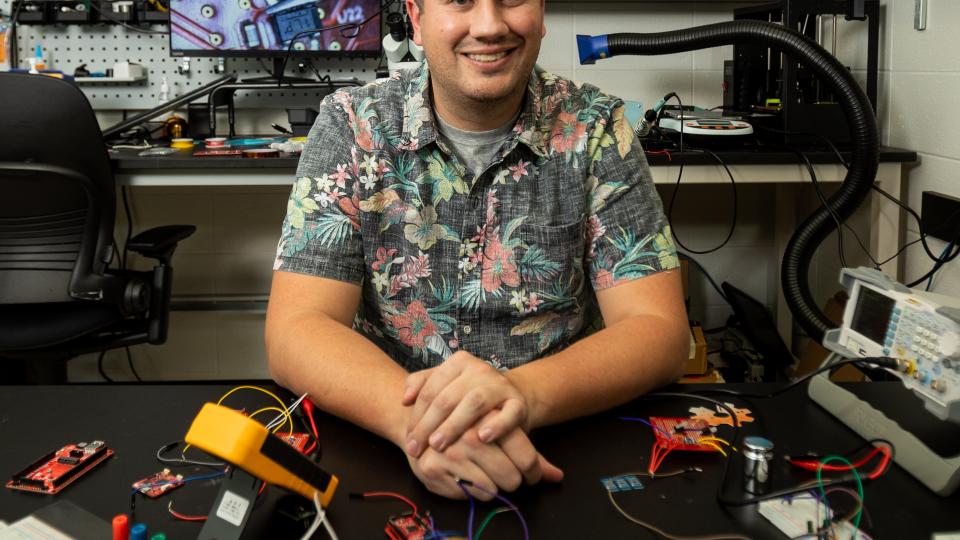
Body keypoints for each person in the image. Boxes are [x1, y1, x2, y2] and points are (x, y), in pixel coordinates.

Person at [266, 0, 688, 500]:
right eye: (460, 1)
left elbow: (660, 332)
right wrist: (418, 426)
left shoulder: (595, 126)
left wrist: (523, 396)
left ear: (542, 12)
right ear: (417, 20)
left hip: (560, 440)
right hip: (390, 442)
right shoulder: (352, 124)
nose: (489, 26)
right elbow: (296, 329)